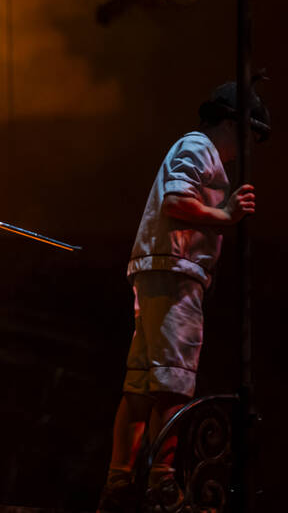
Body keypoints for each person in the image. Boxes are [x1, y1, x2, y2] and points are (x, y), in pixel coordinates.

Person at [97, 82, 268, 513]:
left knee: (142, 382)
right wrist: (224, 214)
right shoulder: (197, 147)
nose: (247, 146)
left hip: (161, 271)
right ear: (232, 124)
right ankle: (162, 483)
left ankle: (119, 482)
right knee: (173, 379)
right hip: (174, 273)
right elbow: (176, 200)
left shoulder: (196, 150)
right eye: (249, 133)